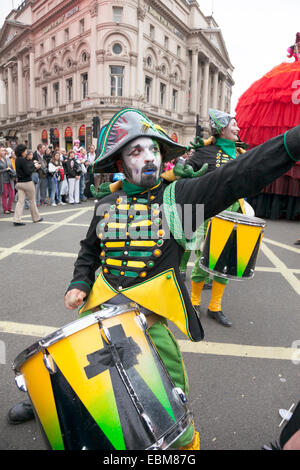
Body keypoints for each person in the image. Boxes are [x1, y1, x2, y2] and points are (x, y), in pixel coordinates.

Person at [9, 109, 300, 449]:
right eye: (136, 151)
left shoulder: (179, 200)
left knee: (170, 412)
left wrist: (292, 144)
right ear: (119, 164)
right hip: (96, 314)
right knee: (77, 383)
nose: (149, 157)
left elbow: (238, 175)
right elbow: (89, 251)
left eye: (154, 150)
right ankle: (52, 401)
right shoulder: (107, 203)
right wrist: (79, 284)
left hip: (147, 323)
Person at [185, 109, 249, 327]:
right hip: (210, 213)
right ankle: (194, 302)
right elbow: (186, 174)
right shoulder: (205, 152)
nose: (238, 128)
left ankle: (215, 307)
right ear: (222, 128)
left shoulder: (241, 153)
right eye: (234, 125)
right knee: (205, 260)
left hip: (235, 214)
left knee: (226, 263)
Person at [12, 144, 43, 226]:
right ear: (22, 151)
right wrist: (36, 167)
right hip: (27, 182)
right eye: (25, 151)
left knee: (20, 202)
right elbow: (28, 172)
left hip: (19, 183)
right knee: (32, 201)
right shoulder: (23, 160)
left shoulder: (17, 160)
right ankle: (36, 218)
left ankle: (17, 219)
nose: (26, 152)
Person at [0, 146, 15, 214]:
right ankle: (5, 209)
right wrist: (5, 169)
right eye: (2, 150)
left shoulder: (7, 159)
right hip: (2, 179)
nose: (3, 152)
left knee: (12, 194)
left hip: (10, 178)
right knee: (4, 195)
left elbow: (11, 168)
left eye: (4, 150)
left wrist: (13, 171)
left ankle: (9, 207)